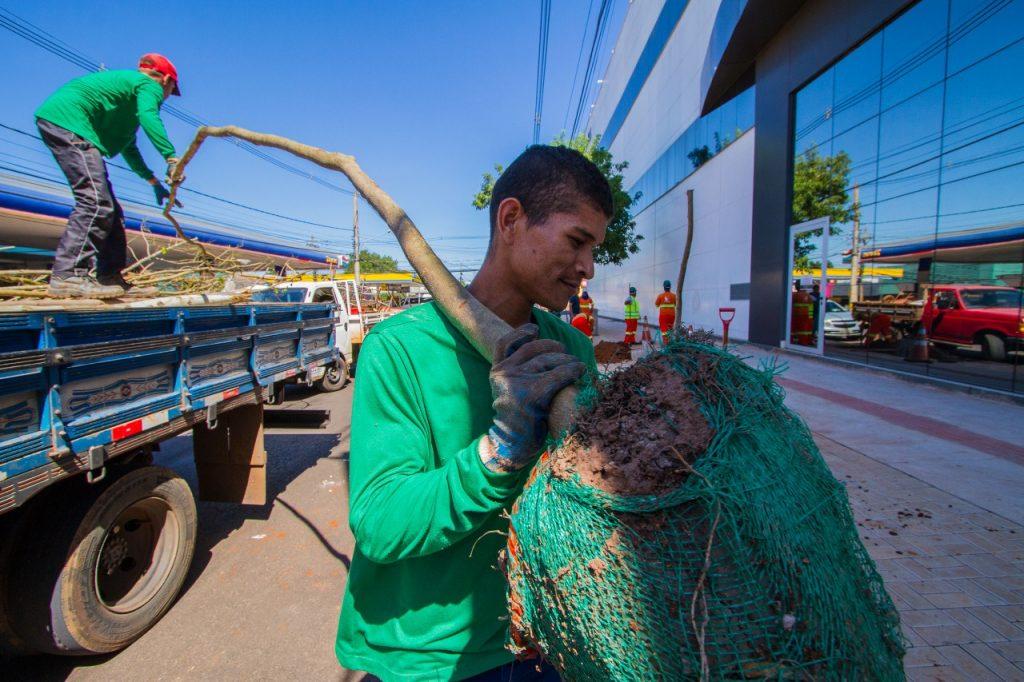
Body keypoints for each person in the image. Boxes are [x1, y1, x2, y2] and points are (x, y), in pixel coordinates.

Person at [336, 145, 608, 680]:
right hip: (431, 655)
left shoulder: (570, 351)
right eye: (577, 241)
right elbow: (381, 523)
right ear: (511, 220)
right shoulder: (400, 348)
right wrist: (498, 451)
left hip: (545, 639)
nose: (588, 268)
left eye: (594, 248)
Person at [35, 53, 183, 298]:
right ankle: (68, 275)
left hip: (66, 123)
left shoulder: (126, 98)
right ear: (167, 80)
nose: (166, 96)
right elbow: (149, 116)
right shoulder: (148, 84)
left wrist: (153, 181)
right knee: (95, 202)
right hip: (70, 125)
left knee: (110, 210)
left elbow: (129, 147)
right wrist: (171, 157)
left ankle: (109, 277)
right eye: (170, 90)